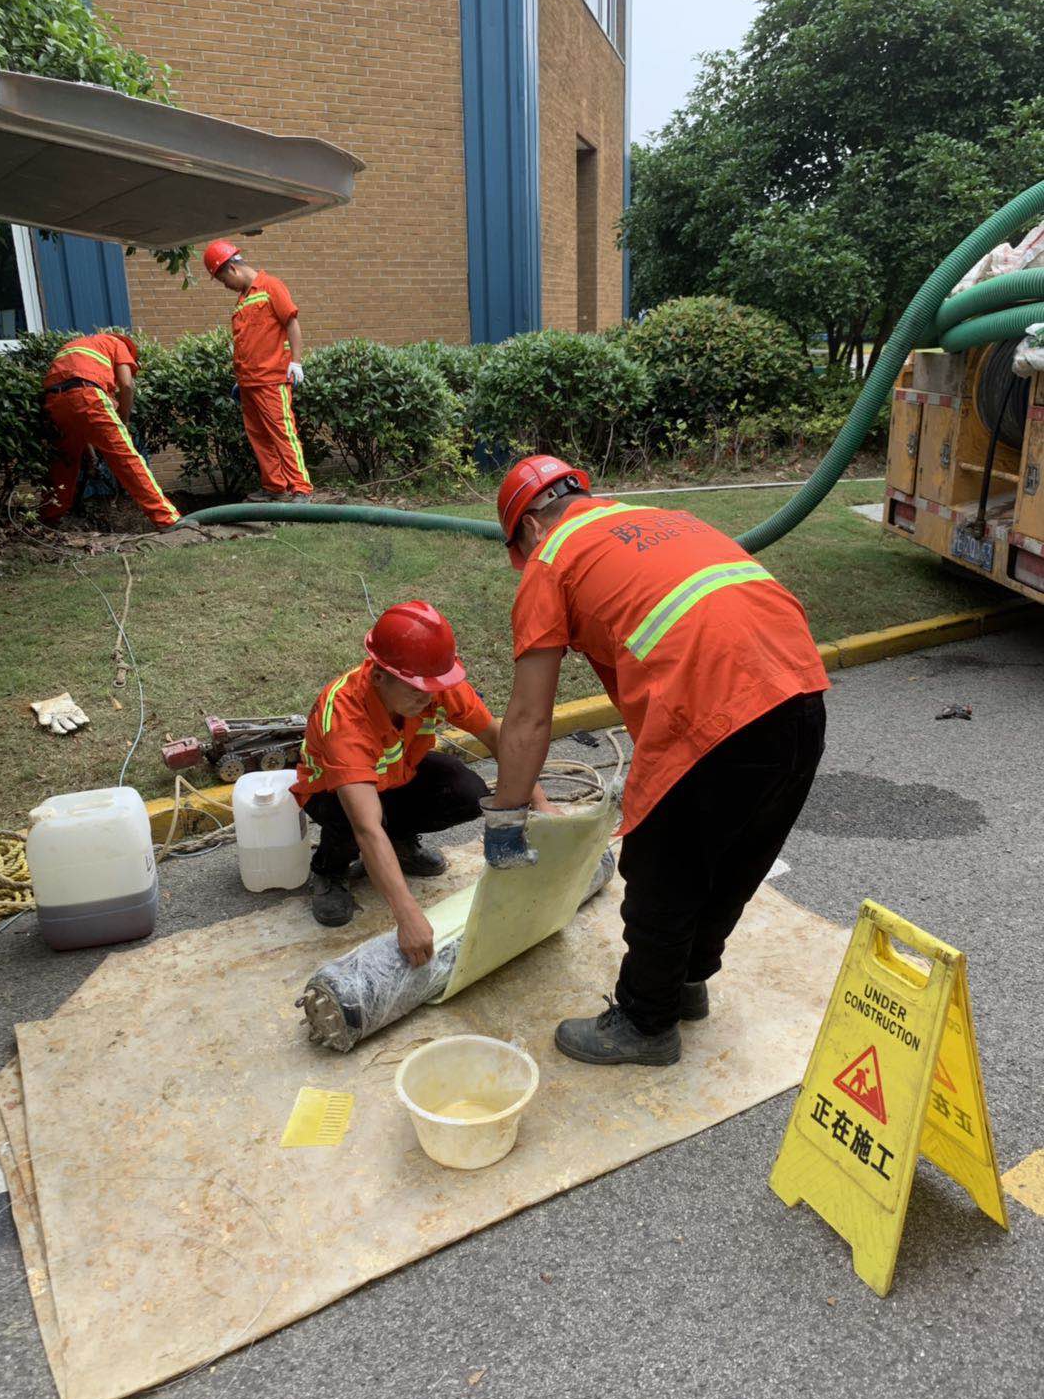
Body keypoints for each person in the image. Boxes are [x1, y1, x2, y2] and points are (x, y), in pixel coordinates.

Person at [483, 456, 829, 1066]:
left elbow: (530, 718)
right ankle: (683, 981)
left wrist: (507, 819)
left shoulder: (551, 559)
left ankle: (646, 1023)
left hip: (717, 711)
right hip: (800, 694)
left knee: (660, 867)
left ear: (530, 529)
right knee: (729, 855)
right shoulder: (661, 518)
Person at [291, 600, 550, 965]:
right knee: (357, 824)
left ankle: (399, 843)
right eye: (416, 690)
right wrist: (407, 915)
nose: (428, 697)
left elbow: (497, 736)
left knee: (466, 793)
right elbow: (366, 827)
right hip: (332, 794)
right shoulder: (345, 717)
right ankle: (330, 870)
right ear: (379, 676)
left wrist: (540, 805)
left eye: (433, 687)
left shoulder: (430, 683)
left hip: (395, 778)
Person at [202, 239, 312, 503]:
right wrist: (241, 378)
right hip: (249, 383)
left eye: (223, 281)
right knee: (259, 436)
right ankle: (274, 487)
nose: (226, 287)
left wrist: (296, 362)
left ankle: (301, 488)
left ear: (233, 270)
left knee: (282, 432)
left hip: (272, 379)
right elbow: (248, 342)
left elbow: (291, 322)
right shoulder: (242, 300)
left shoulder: (270, 286)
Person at [40, 331, 180, 531]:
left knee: (64, 464)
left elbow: (78, 417)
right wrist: (124, 421)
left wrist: (90, 455)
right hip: (88, 394)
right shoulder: (118, 344)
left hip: (54, 400)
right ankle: (168, 519)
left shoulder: (81, 346)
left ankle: (48, 521)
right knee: (127, 458)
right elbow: (127, 385)